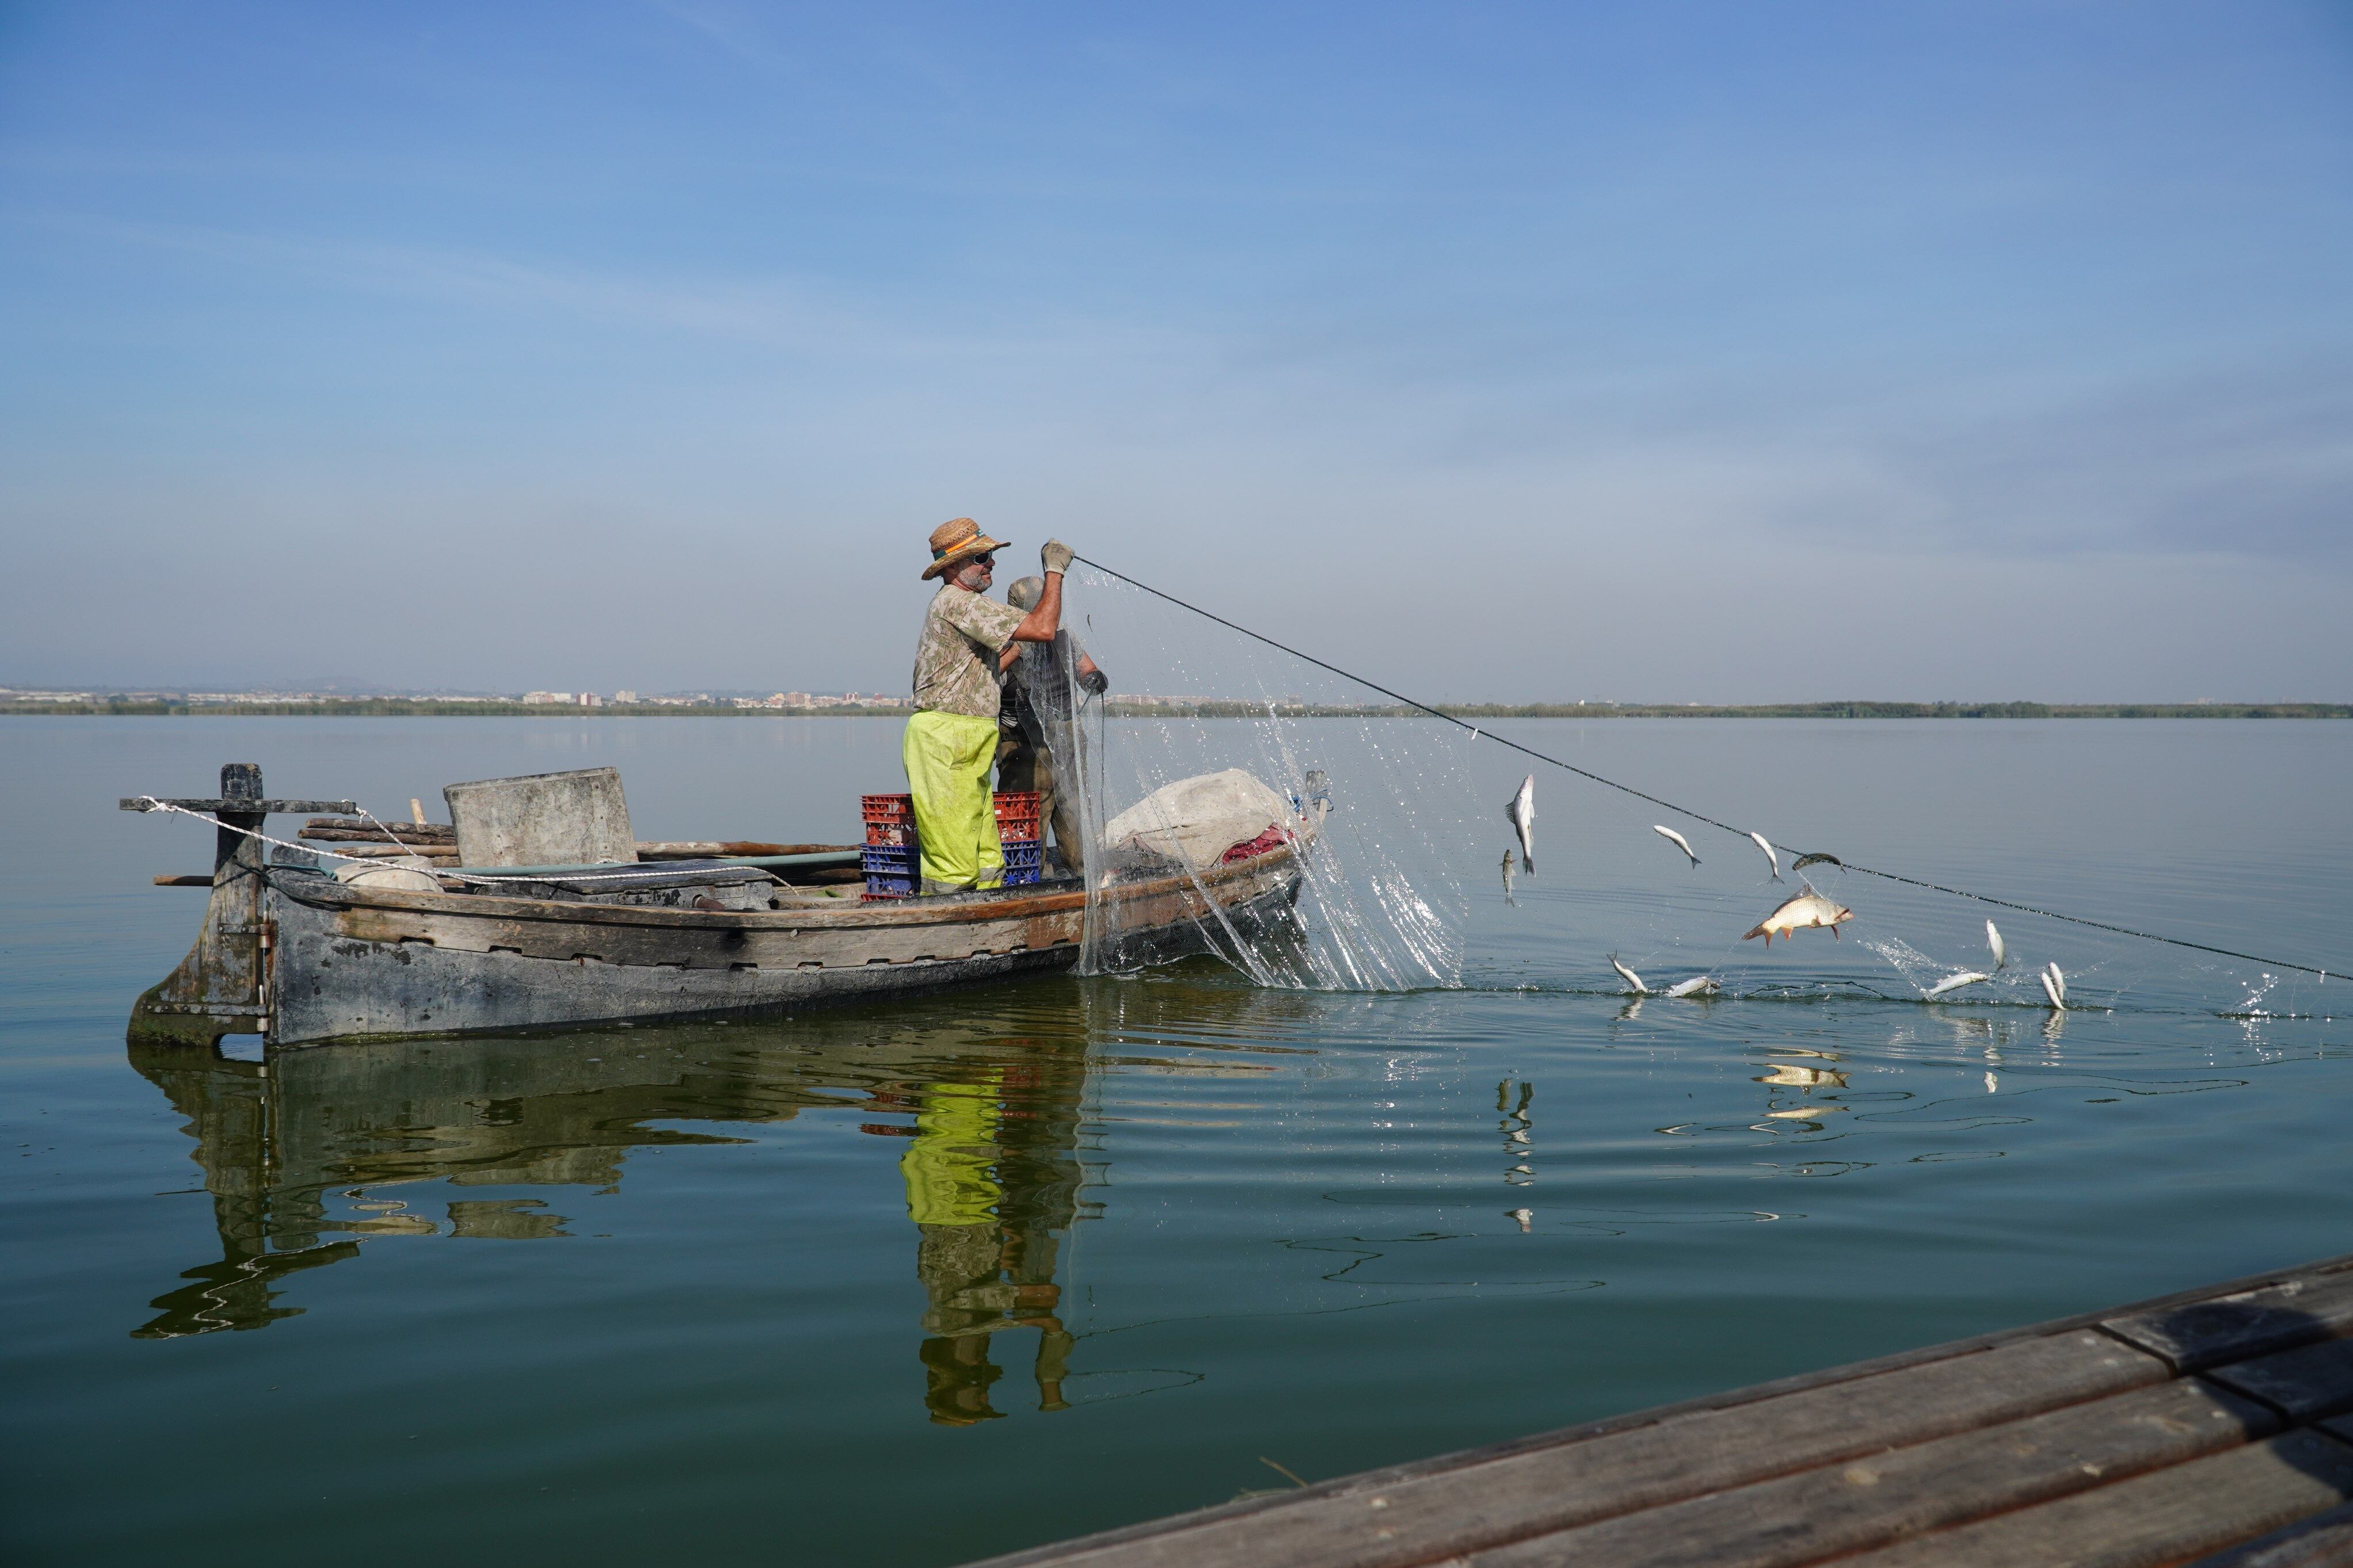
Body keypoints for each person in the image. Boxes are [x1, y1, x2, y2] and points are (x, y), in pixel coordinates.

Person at [904, 518, 1074, 893]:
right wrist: (1055, 571)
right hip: (945, 739)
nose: (991, 563)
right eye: (982, 557)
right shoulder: (958, 602)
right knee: (953, 864)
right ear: (952, 567)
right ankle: (947, 934)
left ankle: (989, 924)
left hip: (973, 738)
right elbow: (1044, 627)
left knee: (986, 861)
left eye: (991, 556)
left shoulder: (970, 608)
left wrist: (1019, 647)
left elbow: (990, 664)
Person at [997, 575, 1106, 875]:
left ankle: (1079, 872)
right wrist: (1021, 645)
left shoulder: (1063, 638)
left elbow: (1087, 671)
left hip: (1067, 738)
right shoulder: (1001, 642)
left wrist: (1094, 680)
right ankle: (1029, 876)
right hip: (1021, 745)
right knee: (1025, 818)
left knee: (1071, 809)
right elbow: (989, 678)